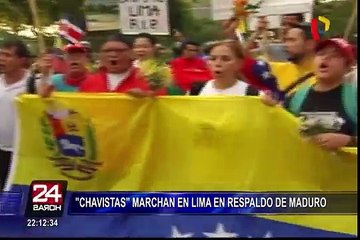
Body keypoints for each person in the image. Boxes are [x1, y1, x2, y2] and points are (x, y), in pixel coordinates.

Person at [262, 38, 357, 150]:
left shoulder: (353, 97)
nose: (325, 58)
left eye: (335, 55)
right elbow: (278, 133)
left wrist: (349, 141)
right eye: (321, 54)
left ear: (348, 66)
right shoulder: (296, 98)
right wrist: (270, 109)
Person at [79, 34, 165, 96]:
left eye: (119, 51)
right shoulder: (89, 82)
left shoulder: (150, 81)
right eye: (107, 51)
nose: (113, 55)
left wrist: (149, 96)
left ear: (132, 54)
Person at [0, 39, 32, 190]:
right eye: (1, 54)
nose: (2, 58)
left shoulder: (33, 83)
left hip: (21, 154)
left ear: (22, 60)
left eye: (7, 55)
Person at [190, 40, 258, 96]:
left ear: (239, 63)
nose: (218, 63)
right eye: (213, 59)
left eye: (226, 59)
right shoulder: (197, 90)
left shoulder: (252, 93)